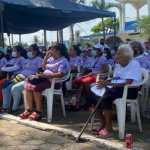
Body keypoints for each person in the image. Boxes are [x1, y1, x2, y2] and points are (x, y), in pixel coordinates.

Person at [89, 44, 142, 138]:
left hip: (129, 90)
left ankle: (109, 129)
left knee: (107, 98)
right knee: (92, 95)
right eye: (116, 54)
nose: (116, 56)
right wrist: (103, 83)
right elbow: (115, 79)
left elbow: (127, 83)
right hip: (116, 88)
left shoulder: (134, 64)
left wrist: (108, 84)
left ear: (126, 56)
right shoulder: (118, 65)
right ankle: (103, 122)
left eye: (119, 54)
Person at [19, 44, 70, 121]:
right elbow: (43, 67)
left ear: (58, 51)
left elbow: (60, 74)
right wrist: (46, 57)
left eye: (52, 50)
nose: (50, 52)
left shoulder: (63, 61)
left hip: (54, 82)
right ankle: (29, 109)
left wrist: (46, 76)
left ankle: (39, 111)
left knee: (36, 88)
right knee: (28, 87)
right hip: (45, 79)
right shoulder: (51, 59)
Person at [0, 44, 43, 113]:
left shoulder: (39, 60)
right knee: (5, 85)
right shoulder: (27, 60)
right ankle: (5, 107)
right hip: (20, 78)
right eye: (28, 50)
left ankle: (14, 108)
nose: (27, 52)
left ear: (35, 52)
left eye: (29, 50)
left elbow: (40, 71)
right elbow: (22, 70)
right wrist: (16, 76)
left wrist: (30, 77)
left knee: (15, 88)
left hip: (29, 80)